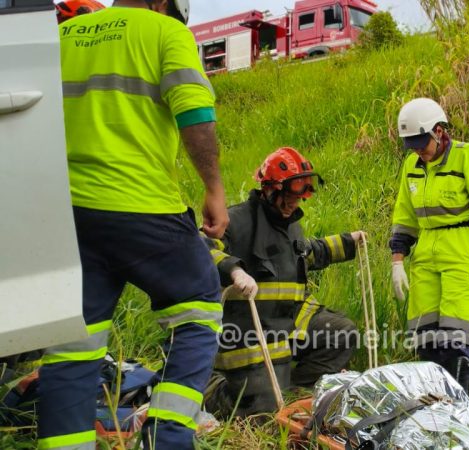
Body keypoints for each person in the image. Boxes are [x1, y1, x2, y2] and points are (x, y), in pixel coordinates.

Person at [41, 1, 228, 449]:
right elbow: (196, 114)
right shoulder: (165, 32)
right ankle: (165, 438)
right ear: (164, 4)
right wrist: (214, 189)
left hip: (69, 213)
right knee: (199, 307)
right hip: (141, 204)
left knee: (73, 342)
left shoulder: (65, 37)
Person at [203, 147, 362, 417]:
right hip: (246, 337)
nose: (294, 204)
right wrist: (234, 270)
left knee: (341, 333)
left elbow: (306, 253)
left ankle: (291, 390)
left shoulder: (289, 223)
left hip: (286, 327)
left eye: (299, 198)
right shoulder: (238, 220)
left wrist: (350, 242)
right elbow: (201, 247)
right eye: (289, 197)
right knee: (261, 410)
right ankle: (214, 391)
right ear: (269, 190)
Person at [389, 98, 469, 392]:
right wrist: (397, 261)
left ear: (439, 132)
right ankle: (431, 408)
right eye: (412, 145)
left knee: (455, 338)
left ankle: (458, 409)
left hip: (461, 250)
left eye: (422, 143)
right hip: (425, 255)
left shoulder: (467, 157)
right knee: (425, 337)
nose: (419, 150)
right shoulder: (412, 166)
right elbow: (405, 216)